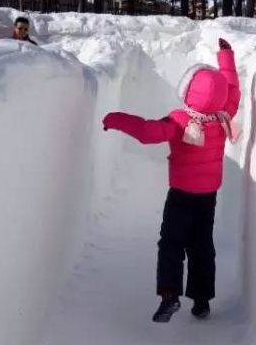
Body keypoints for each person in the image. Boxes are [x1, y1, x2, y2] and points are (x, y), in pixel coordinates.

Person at [102, 38, 241, 323]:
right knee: (202, 244)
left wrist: (115, 118)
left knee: (171, 242)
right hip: (208, 194)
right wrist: (226, 57)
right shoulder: (223, 115)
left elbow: (146, 132)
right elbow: (233, 89)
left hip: (180, 193)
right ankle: (201, 301)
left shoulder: (180, 121)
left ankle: (170, 295)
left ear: (187, 90)